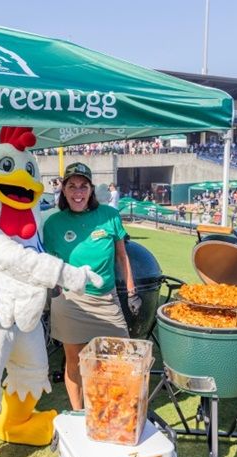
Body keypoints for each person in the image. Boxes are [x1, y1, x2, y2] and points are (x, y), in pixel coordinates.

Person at [43, 162, 142, 410]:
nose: (78, 192)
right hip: (70, 301)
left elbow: (122, 256)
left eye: (83, 186)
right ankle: (79, 413)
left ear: (91, 190)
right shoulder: (53, 223)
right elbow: (49, 262)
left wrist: (131, 291)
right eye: (72, 186)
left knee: (121, 357)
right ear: (64, 190)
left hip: (107, 299)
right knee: (74, 361)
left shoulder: (110, 216)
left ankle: (114, 408)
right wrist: (52, 288)